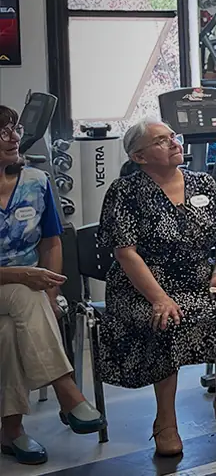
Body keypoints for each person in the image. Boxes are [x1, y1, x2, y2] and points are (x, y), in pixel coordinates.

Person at [97, 120, 216, 456]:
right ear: (140, 156)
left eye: (172, 136)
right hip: (142, 285)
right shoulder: (125, 192)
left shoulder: (203, 181)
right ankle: (165, 420)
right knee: (166, 320)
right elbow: (124, 252)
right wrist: (159, 298)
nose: (174, 143)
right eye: (161, 140)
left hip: (197, 279)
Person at [0, 107, 105, 465]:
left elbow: (52, 243)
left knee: (9, 329)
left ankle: (11, 430)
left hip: (26, 293)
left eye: (13, 129)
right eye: (2, 133)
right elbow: (24, 276)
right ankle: (68, 391)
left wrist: (49, 291)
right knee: (21, 292)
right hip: (16, 283)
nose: (14, 137)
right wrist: (23, 277)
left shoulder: (35, 182)